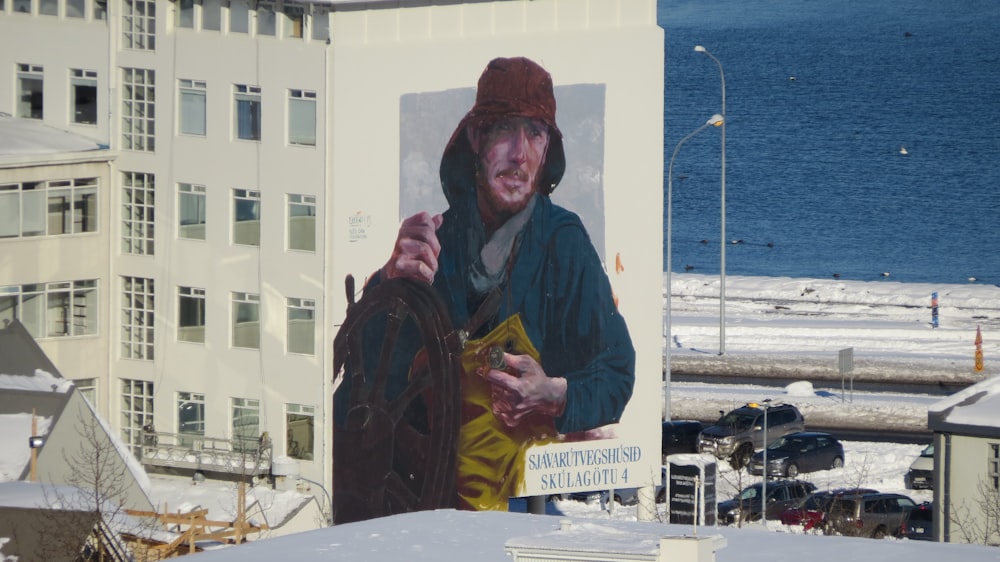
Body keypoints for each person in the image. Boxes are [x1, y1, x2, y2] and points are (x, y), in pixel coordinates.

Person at [339, 56, 635, 513]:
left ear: (545, 150)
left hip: (522, 506)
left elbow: (616, 372)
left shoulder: (564, 244)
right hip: (424, 509)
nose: (519, 153)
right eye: (503, 130)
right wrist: (390, 284)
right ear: (476, 140)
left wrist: (555, 394)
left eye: (535, 132)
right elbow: (363, 383)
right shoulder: (438, 242)